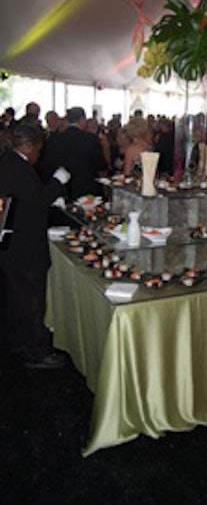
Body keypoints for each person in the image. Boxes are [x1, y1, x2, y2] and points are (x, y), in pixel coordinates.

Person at [0, 123, 71, 368]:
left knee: (17, 295)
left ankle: (19, 340)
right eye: (38, 150)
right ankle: (36, 350)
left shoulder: (8, 161)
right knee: (31, 297)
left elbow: (25, 201)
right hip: (24, 244)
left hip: (11, 240)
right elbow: (38, 201)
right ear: (28, 145)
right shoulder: (17, 168)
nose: (38, 155)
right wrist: (57, 183)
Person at [38, 107, 107, 200]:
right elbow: (100, 164)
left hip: (62, 187)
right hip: (87, 186)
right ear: (82, 120)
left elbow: (47, 163)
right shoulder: (90, 139)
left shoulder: (54, 139)